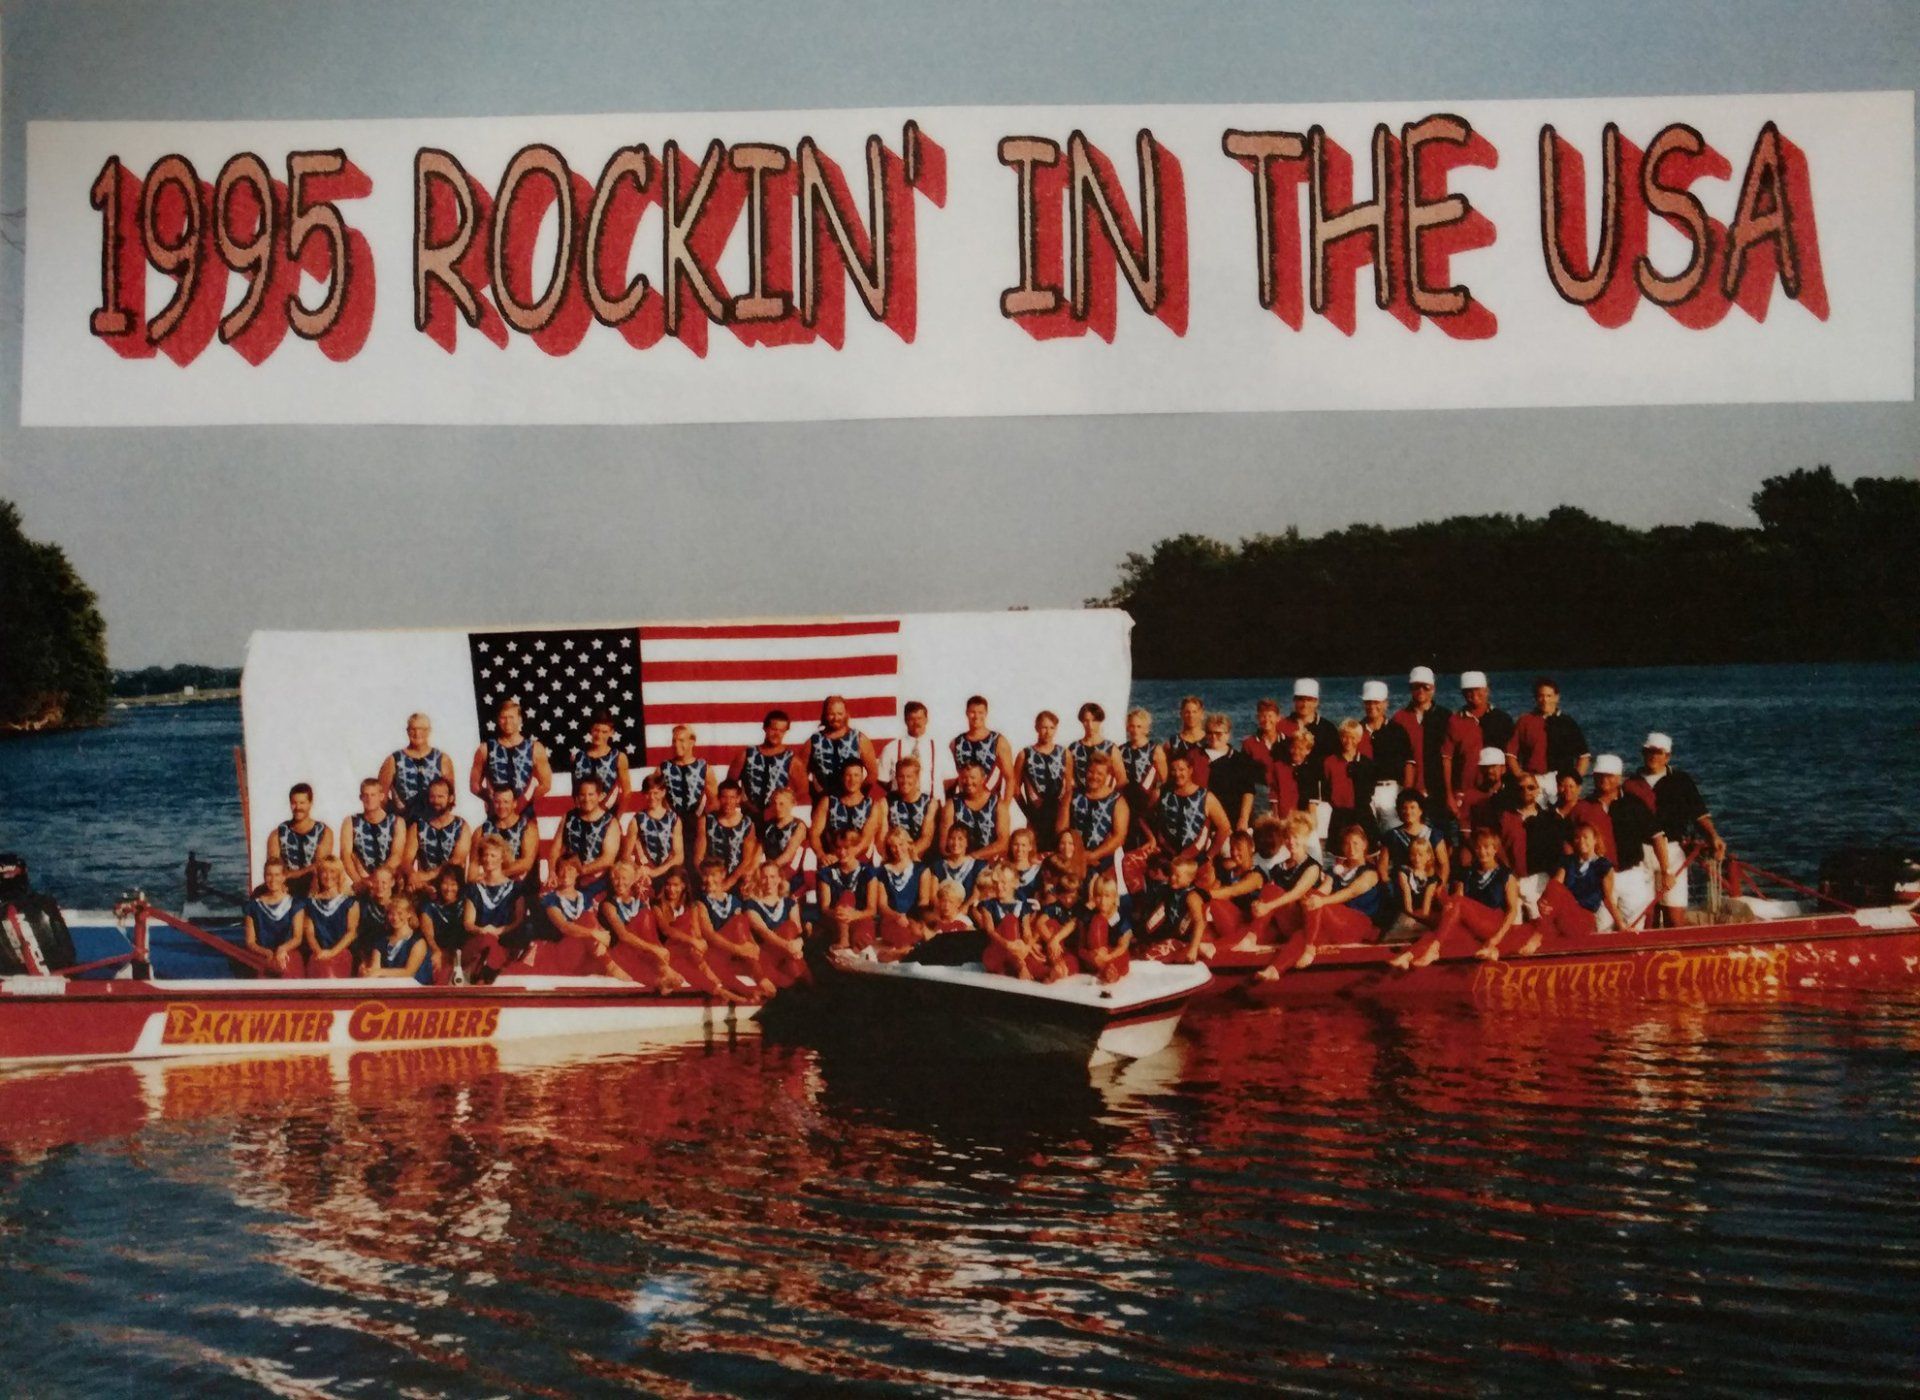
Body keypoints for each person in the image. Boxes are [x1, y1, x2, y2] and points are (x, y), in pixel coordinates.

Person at [1628, 732, 1726, 927]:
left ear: (1668, 756)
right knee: (1647, 915)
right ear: (1643, 753)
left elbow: (1699, 814)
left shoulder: (1681, 781)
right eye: (1649, 751)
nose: (1653, 756)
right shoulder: (1630, 784)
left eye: (1658, 752)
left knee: (1675, 913)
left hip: (1672, 849)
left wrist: (1713, 836)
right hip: (1641, 852)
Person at [1397, 828, 1533, 968]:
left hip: (1494, 924)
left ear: (1495, 849)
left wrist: (1496, 938)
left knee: (1457, 903)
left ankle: (1433, 950)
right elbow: (1458, 901)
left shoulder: (1506, 875)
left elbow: (1512, 911)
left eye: (1486, 847)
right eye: (1478, 847)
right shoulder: (1468, 872)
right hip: (1471, 926)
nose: (1482, 851)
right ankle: (1409, 955)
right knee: (1440, 927)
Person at [1586, 754, 1665, 928]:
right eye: (1599, 775)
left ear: (1619, 777)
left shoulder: (1634, 804)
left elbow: (1657, 837)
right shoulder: (1585, 806)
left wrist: (1666, 870)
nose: (1603, 780)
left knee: (1635, 926)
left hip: (1631, 876)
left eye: (1609, 775)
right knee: (1601, 926)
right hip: (1598, 877)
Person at [1295, 824, 1388, 965]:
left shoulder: (1371, 872)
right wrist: (1308, 898)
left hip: (1361, 925)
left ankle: (1309, 946)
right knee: (1309, 905)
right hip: (1339, 923)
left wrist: (1321, 901)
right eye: (1347, 844)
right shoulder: (1336, 871)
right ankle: (1275, 970)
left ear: (1364, 845)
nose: (1351, 848)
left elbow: (1351, 892)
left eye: (1355, 843)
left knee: (1317, 903)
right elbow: (1324, 889)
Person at [1250, 811, 1324, 977]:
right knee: (1269, 891)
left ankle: (1274, 970)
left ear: (1305, 839)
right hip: (1286, 922)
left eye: (1296, 837)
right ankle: (1239, 941)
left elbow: (1297, 893)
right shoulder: (1278, 868)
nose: (1291, 842)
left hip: (1310, 926)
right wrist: (1259, 904)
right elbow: (1270, 895)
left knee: (1300, 934)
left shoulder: (1312, 867)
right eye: (1288, 837)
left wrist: (1268, 905)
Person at [1440, 672, 1515, 825]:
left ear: (1487, 690)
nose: (1474, 694)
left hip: (1497, 792)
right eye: (1469, 691)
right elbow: (1447, 759)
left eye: (1478, 689)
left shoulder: (1502, 719)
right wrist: (1449, 796)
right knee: (1463, 836)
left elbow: (1512, 756)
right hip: (1464, 791)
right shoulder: (1454, 721)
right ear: (1462, 693)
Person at [692, 858, 774, 998]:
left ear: (723, 875)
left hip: (735, 953)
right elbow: (709, 934)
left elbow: (743, 930)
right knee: (739, 922)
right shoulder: (700, 902)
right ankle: (756, 985)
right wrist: (738, 949)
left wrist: (753, 945)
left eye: (713, 875)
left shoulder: (733, 901)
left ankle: (762, 980)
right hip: (716, 951)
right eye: (705, 875)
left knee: (740, 921)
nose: (709, 879)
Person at [1538, 822, 1631, 941]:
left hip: (1584, 917)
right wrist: (1542, 901)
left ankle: (1539, 935)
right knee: (1553, 887)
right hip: (1563, 913)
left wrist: (1621, 925)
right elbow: (1555, 886)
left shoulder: (1604, 865)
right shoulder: (1567, 861)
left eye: (1585, 837)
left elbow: (1608, 899)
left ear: (1595, 840)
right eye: (1577, 837)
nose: (1581, 841)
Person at [602, 860, 685, 990]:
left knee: (645, 915)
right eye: (616, 878)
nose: (620, 882)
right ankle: (659, 978)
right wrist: (654, 949)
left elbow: (653, 931)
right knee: (644, 916)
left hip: (642, 950)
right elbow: (623, 936)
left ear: (632, 880)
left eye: (624, 878)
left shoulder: (639, 903)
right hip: (622, 951)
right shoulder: (608, 905)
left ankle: (662, 968)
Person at [1505, 676, 1590, 793]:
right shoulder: (1524, 721)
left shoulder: (1568, 722)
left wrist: (1574, 779)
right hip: (1533, 780)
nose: (1545, 700)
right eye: (1541, 696)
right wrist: (1520, 775)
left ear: (1557, 697)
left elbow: (1584, 756)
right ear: (1536, 698)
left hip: (1561, 782)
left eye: (1549, 696)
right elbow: (1510, 754)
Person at [461, 836, 529, 980]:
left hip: (504, 943)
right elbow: (468, 922)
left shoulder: (516, 888)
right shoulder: (474, 888)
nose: (488, 859)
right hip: (478, 943)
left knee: (493, 950)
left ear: (502, 858)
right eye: (485, 855)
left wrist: (498, 931)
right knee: (486, 943)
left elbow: (519, 918)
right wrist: (483, 931)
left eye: (493, 855)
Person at [545, 773, 622, 896]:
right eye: (582, 795)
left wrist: (580, 871)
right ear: (577, 797)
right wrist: (552, 872)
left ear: (600, 796)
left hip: (596, 880)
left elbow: (608, 859)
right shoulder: (569, 817)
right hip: (567, 878)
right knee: (546, 899)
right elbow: (556, 847)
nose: (586, 799)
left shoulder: (610, 822)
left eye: (591, 794)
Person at [469, 697, 553, 807]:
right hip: (496, 814)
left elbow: (546, 784)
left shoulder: (535, 748)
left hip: (524, 814)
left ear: (519, 719)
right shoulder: (485, 749)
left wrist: (526, 802)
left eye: (511, 717)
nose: (507, 721)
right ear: (498, 720)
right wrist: (494, 800)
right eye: (503, 717)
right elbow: (474, 785)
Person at [1152, 752, 1232, 862]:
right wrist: (1152, 839)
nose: (1177, 774)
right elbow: (1144, 816)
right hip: (1167, 856)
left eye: (1181, 769)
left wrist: (1209, 856)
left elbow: (1224, 827)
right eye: (1173, 770)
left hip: (1196, 859)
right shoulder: (1160, 794)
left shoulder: (1206, 797)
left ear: (1190, 770)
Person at [814, 826, 884, 951]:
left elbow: (871, 909)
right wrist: (840, 914)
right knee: (846, 897)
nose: (842, 852)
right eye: (838, 848)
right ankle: (843, 940)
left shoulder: (868, 872)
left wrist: (853, 915)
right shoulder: (826, 872)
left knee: (861, 942)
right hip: (836, 920)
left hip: (860, 917)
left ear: (856, 847)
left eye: (847, 847)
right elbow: (825, 908)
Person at [1061, 756, 1131, 879]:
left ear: (1108, 775)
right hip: (1071, 857)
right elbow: (1061, 829)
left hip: (1102, 861)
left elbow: (1119, 837)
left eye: (1099, 773)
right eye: (1090, 772)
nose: (1094, 777)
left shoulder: (1118, 801)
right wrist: (1075, 855)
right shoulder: (1071, 795)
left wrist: (1093, 855)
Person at [381, 712, 457, 823]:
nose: (417, 733)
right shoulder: (393, 760)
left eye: (422, 729)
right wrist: (396, 815)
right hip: (404, 822)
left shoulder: (443, 759)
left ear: (429, 731)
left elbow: (451, 796)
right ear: (407, 731)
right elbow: (380, 796)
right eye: (413, 729)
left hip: (434, 823)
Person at [1390, 667, 1451, 804]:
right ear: (1410, 689)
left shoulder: (1445, 717)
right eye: (1416, 687)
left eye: (1426, 687)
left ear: (1433, 688)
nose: (1421, 691)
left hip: (1439, 788)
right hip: (1410, 789)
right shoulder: (1400, 718)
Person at [742, 862, 809, 986]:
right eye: (764, 877)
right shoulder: (751, 905)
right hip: (767, 955)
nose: (768, 881)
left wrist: (799, 943)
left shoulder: (790, 903)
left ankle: (799, 986)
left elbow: (798, 930)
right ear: (759, 880)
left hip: (791, 954)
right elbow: (764, 932)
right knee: (800, 977)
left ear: (779, 879)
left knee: (789, 927)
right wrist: (788, 947)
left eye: (772, 877)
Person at [732, 710, 803, 824]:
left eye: (781, 731)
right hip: (749, 817)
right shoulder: (746, 755)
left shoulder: (793, 760)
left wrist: (783, 804)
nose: (777, 734)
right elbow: (730, 785)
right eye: (774, 729)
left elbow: (802, 791)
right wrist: (744, 803)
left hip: (778, 819)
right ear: (765, 728)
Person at [1140, 850, 1211, 963]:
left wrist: (1193, 949)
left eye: (1177, 875)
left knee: (1151, 956)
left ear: (1190, 879)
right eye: (1172, 873)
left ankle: (1201, 947)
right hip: (1177, 936)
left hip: (1190, 939)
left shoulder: (1192, 897)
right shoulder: (1172, 891)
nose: (1172, 878)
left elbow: (1200, 922)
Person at [404, 777, 471, 894]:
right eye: (432, 796)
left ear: (450, 798)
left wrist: (428, 875)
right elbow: (406, 860)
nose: (436, 801)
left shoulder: (461, 826)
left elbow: (457, 860)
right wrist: (413, 876)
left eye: (440, 797)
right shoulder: (418, 826)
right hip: (424, 887)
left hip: (452, 889)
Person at [1013, 711, 1069, 850]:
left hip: (1058, 814)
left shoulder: (1064, 753)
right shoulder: (1025, 754)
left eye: (1051, 728)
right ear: (1036, 727)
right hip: (1035, 814)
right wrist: (1028, 812)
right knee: (1034, 854)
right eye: (1044, 727)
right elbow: (1014, 789)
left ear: (1056, 729)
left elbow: (1069, 788)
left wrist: (1064, 813)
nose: (1047, 732)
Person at [807, 694, 882, 798]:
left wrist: (858, 793)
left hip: (853, 802)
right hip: (823, 802)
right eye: (831, 714)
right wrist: (815, 792)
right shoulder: (814, 741)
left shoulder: (859, 738)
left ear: (846, 714)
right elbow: (800, 773)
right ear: (824, 715)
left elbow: (873, 773)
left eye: (840, 713)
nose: (836, 718)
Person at [296, 856, 360, 977]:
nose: (328, 875)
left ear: (340, 874)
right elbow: (309, 933)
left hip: (341, 952)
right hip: (317, 953)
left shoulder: (350, 901)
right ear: (319, 875)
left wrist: (331, 953)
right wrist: (319, 952)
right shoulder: (310, 902)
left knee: (330, 974)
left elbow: (351, 932)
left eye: (332, 871)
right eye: (324, 871)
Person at [340, 778, 406, 891]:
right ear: (360, 797)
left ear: (381, 796)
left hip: (389, 883)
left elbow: (397, 855)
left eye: (373, 795)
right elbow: (345, 856)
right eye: (365, 795)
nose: (369, 799)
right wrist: (359, 881)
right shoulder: (350, 822)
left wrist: (376, 880)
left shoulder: (397, 822)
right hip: (362, 882)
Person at [242, 857, 305, 977]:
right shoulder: (253, 906)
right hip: (263, 955)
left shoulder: (296, 904)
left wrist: (282, 949)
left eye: (277, 875)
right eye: (269, 875)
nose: (273, 879)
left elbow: (297, 938)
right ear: (264, 877)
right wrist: (267, 953)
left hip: (288, 954)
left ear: (283, 877)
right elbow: (250, 942)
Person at [265, 783, 331, 896]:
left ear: (310, 803)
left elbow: (320, 865)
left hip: (314, 883)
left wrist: (293, 874)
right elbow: (273, 866)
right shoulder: (277, 834)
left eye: (302, 803)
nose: (298, 807)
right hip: (286, 884)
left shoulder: (324, 831)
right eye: (294, 803)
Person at [1359, 679, 1408, 829]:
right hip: (1364, 792)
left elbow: (1409, 764)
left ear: (1386, 703)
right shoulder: (1357, 730)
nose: (1372, 706)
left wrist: (1405, 794)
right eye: (1368, 702)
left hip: (1391, 791)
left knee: (1394, 835)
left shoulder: (1397, 730)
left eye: (1377, 702)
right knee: (1367, 837)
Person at [696, 779, 761, 892]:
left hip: (736, 880)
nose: (728, 801)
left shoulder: (747, 823)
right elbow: (698, 857)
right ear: (719, 798)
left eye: (732, 797)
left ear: (738, 799)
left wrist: (728, 883)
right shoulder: (706, 820)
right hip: (710, 879)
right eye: (724, 797)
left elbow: (747, 860)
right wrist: (709, 881)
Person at [873, 827, 934, 948]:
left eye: (901, 844)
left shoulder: (921, 870)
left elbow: (924, 902)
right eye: (893, 846)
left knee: (923, 934)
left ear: (908, 844)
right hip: (891, 920)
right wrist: (897, 916)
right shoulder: (882, 872)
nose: (897, 849)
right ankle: (899, 953)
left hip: (914, 919)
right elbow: (882, 905)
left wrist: (917, 922)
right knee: (902, 936)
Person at [626, 772, 687, 893]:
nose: (652, 797)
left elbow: (679, 856)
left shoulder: (674, 819)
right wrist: (640, 870)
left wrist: (656, 872)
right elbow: (626, 855)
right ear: (643, 794)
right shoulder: (636, 819)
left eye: (656, 793)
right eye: (648, 793)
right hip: (645, 871)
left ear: (663, 792)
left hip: (668, 870)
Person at [812, 757, 882, 861]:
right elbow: (814, 833)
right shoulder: (827, 802)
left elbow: (865, 840)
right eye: (848, 775)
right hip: (831, 859)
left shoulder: (872, 805)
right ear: (842, 777)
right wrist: (822, 855)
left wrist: (845, 858)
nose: (852, 780)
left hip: (860, 862)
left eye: (856, 775)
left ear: (862, 777)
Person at [1379, 789, 1451, 890]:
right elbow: (1383, 866)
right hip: (1400, 888)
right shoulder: (1392, 836)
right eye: (1404, 808)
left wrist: (1440, 887)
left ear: (1421, 810)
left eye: (1412, 807)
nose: (1408, 812)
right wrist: (1388, 885)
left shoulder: (1434, 834)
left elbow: (1444, 865)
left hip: (1428, 887)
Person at [1319, 719, 1378, 841]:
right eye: (1344, 737)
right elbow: (1326, 789)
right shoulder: (1330, 762)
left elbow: (1370, 789)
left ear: (1359, 738)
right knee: (1340, 854)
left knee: (1369, 850)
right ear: (1340, 738)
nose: (1348, 741)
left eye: (1353, 737)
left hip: (1362, 812)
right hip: (1340, 814)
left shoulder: (1366, 763)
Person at [1202, 712, 1261, 832]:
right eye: (1210, 732)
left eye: (1218, 733)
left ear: (1228, 735)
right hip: (1205, 821)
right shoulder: (1197, 756)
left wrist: (1243, 819)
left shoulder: (1240, 759)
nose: (1213, 737)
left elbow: (1248, 791)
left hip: (1234, 820)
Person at [473, 784, 540, 888]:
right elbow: (474, 863)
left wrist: (497, 875)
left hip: (520, 887)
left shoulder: (527, 827)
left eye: (506, 802)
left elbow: (526, 863)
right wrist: (473, 884)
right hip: (489, 887)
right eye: (497, 802)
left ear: (514, 804)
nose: (501, 806)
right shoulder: (482, 830)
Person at [876, 700, 948, 797]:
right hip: (901, 807)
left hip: (932, 806)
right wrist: (897, 790)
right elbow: (882, 778)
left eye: (919, 718)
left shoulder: (940, 748)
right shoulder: (891, 748)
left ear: (926, 720)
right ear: (905, 720)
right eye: (911, 719)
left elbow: (950, 779)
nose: (916, 723)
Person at [943, 760, 1012, 860]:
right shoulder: (952, 805)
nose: (968, 782)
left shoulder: (998, 804)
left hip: (989, 864)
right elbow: (944, 845)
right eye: (964, 778)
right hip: (960, 863)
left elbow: (1003, 843)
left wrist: (972, 857)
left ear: (983, 779)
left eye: (972, 777)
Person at [1383, 834, 1444, 944]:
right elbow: (1407, 899)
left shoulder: (1432, 879)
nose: (1416, 858)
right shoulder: (1404, 872)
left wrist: (1424, 919)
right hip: (1407, 912)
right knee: (1405, 924)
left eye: (1420, 855)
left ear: (1429, 856)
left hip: (1422, 915)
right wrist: (1411, 916)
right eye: (1413, 854)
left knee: (1433, 928)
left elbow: (1426, 906)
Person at [949, 695, 1015, 794]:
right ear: (966, 713)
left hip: (991, 803)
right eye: (972, 712)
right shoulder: (956, 743)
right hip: (964, 803)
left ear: (986, 714)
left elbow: (1010, 779)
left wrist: (1005, 805)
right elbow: (951, 778)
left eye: (980, 712)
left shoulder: (999, 741)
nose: (976, 717)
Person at [659, 725, 718, 833]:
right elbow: (654, 797)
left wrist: (702, 820)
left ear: (692, 742)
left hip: (696, 824)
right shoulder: (662, 768)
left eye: (681, 740)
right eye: (674, 741)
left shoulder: (704, 768)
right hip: (670, 824)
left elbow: (714, 802)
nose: (677, 745)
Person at [357, 896, 431, 983]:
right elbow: (375, 968)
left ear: (409, 914)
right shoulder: (382, 941)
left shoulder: (418, 941)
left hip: (414, 989)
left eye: (400, 913)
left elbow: (409, 972)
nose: (395, 918)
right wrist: (367, 972)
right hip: (387, 987)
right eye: (391, 914)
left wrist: (380, 972)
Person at [570, 711, 633, 811]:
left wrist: (617, 818)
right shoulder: (578, 757)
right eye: (596, 730)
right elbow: (575, 790)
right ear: (591, 730)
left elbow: (627, 792)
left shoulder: (618, 757)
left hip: (608, 814)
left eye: (604, 732)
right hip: (582, 815)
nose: (599, 735)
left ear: (611, 732)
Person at [1078, 873, 1134, 984]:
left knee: (1124, 957)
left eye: (1107, 896)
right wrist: (1092, 956)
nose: (1103, 901)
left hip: (1111, 957)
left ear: (1115, 898)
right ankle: (1105, 970)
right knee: (1099, 920)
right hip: (1093, 959)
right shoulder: (1087, 917)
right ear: (1094, 897)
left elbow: (1123, 947)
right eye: (1099, 896)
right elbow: (1080, 947)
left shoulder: (1121, 919)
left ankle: (1110, 972)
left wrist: (1107, 957)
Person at [1063, 702, 1126, 795]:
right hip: (1080, 801)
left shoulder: (1111, 748)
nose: (1090, 725)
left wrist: (1109, 799)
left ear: (1100, 721)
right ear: (1081, 721)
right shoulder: (1073, 748)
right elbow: (1068, 780)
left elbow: (1122, 780)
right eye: (1086, 721)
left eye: (1094, 720)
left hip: (1103, 801)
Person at [884, 756, 938, 861]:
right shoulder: (885, 802)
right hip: (894, 857)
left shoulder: (930, 803)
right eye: (901, 776)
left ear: (917, 777)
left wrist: (908, 858)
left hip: (921, 858)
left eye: (909, 776)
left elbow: (926, 838)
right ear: (896, 777)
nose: (905, 781)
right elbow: (883, 836)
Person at [419, 868, 468, 983]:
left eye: (453, 884)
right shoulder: (429, 906)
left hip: (462, 952)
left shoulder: (465, 902)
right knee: (434, 962)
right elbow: (428, 935)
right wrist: (437, 951)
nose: (449, 889)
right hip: (439, 949)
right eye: (445, 884)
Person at [757, 786, 811, 886]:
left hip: (790, 871)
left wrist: (769, 869)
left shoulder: (799, 826)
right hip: (770, 870)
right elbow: (759, 850)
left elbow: (788, 854)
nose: (777, 807)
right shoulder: (768, 825)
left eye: (782, 804)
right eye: (774, 803)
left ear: (792, 804)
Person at [1278, 679, 1341, 760]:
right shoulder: (1282, 725)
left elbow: (1334, 760)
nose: (1305, 704)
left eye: (1309, 700)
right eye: (1301, 699)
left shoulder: (1328, 729)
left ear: (1316, 702)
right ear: (1294, 700)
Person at [1159, 695, 1212, 787]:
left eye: (1194, 712)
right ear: (1181, 714)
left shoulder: (1211, 740)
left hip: (1207, 792)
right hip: (1180, 793)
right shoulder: (1172, 744)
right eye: (1187, 712)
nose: (1191, 715)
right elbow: (1164, 775)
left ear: (1202, 714)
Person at [928, 822, 984, 902]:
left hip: (966, 911)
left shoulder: (977, 866)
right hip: (942, 910)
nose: (955, 843)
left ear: (967, 842)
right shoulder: (938, 866)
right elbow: (933, 896)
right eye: (952, 838)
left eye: (960, 839)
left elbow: (977, 895)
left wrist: (962, 909)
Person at [1007, 826, 1044, 903]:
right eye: (1015, 844)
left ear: (1030, 847)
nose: (1019, 849)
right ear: (1011, 846)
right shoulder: (1004, 869)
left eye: (1023, 845)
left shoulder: (1037, 871)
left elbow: (1038, 899)